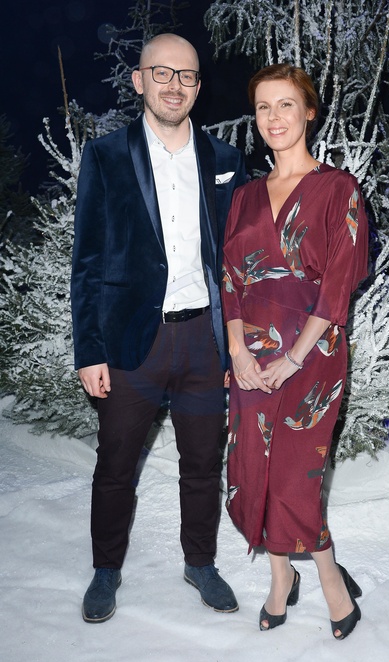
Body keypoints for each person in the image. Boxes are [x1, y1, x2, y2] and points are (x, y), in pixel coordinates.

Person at [71, 33, 246, 623]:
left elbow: (236, 260)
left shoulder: (224, 159)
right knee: (115, 465)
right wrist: (89, 349)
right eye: (162, 73)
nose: (175, 85)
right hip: (129, 344)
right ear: (139, 80)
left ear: (198, 86)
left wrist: (238, 344)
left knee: (202, 464)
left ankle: (200, 562)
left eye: (187, 75)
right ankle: (105, 569)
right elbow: (87, 260)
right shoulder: (106, 156)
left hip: (203, 342)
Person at [221, 64, 368, 639]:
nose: (273, 117)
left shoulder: (337, 188)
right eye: (263, 107)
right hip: (251, 357)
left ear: (309, 112)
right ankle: (281, 578)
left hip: (312, 355)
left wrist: (294, 358)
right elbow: (230, 280)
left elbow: (338, 285)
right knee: (254, 469)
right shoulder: (244, 196)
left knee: (293, 479)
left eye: (286, 105)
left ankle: (331, 579)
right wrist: (238, 352)